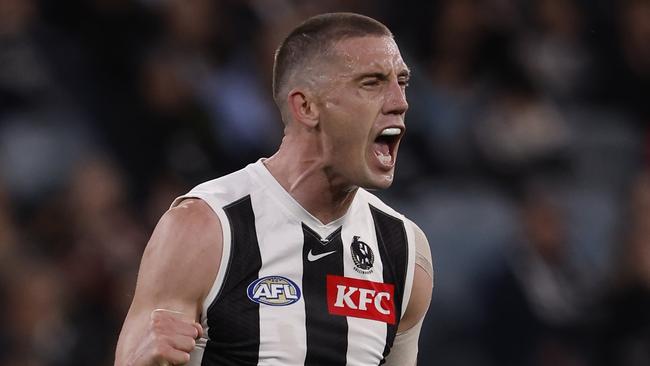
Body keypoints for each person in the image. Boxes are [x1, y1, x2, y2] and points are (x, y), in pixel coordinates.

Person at [115, 12, 434, 366]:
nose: (400, 102)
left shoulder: (404, 252)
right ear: (307, 107)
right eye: (372, 83)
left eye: (401, 82)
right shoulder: (205, 228)